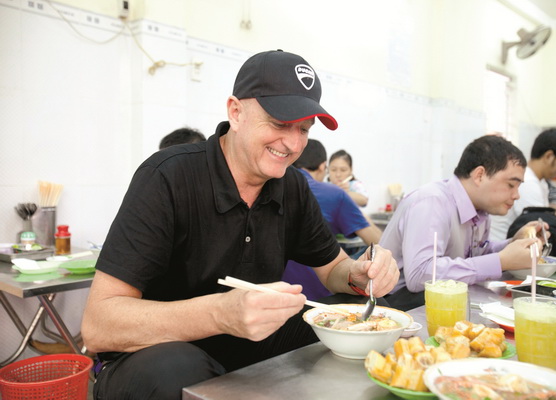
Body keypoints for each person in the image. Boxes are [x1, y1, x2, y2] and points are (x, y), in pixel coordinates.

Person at [81, 50, 400, 400]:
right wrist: (220, 313)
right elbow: (98, 325)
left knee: (366, 316)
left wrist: (358, 274)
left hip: (249, 342)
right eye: (279, 123)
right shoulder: (168, 177)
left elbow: (333, 268)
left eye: (304, 129)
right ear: (235, 112)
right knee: (178, 370)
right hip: (153, 352)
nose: (293, 144)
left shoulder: (292, 185)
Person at [379, 135, 544, 310]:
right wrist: (500, 261)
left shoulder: (480, 210)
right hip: (395, 305)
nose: (517, 195)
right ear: (480, 175)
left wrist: (513, 244)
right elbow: (421, 275)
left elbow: (475, 255)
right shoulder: (431, 202)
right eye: (511, 185)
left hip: (438, 300)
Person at [281, 139, 382, 300]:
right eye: (333, 169)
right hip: (316, 295)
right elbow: (377, 241)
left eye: (343, 170)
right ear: (324, 167)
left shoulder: (273, 187)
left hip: (273, 292)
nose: (338, 174)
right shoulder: (334, 194)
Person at [490, 128, 556, 241]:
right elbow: (542, 229)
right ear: (549, 156)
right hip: (504, 247)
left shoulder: (540, 181)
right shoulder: (527, 182)